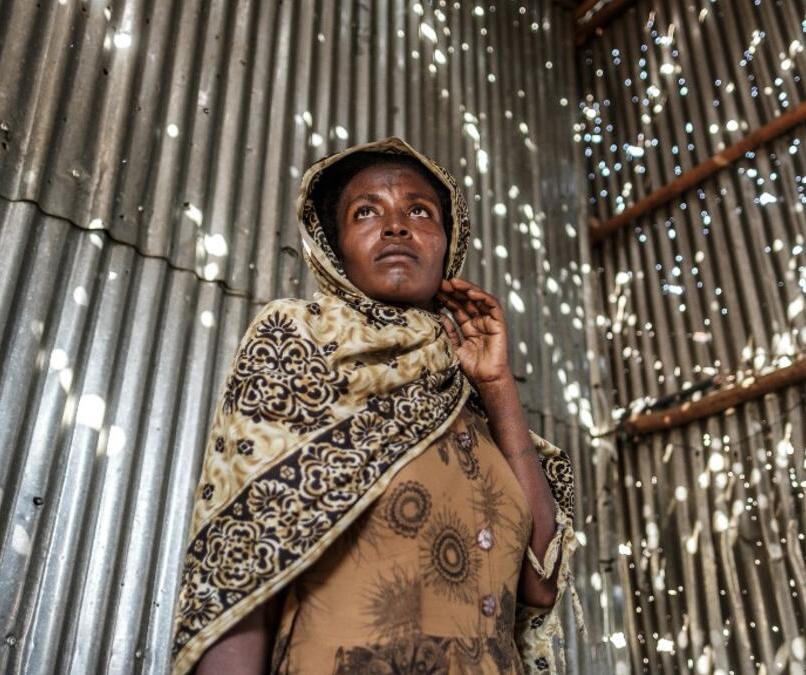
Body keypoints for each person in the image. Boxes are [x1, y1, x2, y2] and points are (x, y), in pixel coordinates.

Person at [171, 137, 579, 674]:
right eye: (367, 211)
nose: (395, 225)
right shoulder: (298, 340)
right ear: (334, 246)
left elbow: (541, 586)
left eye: (419, 211)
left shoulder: (474, 408)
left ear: (448, 242)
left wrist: (498, 384)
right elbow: (242, 560)